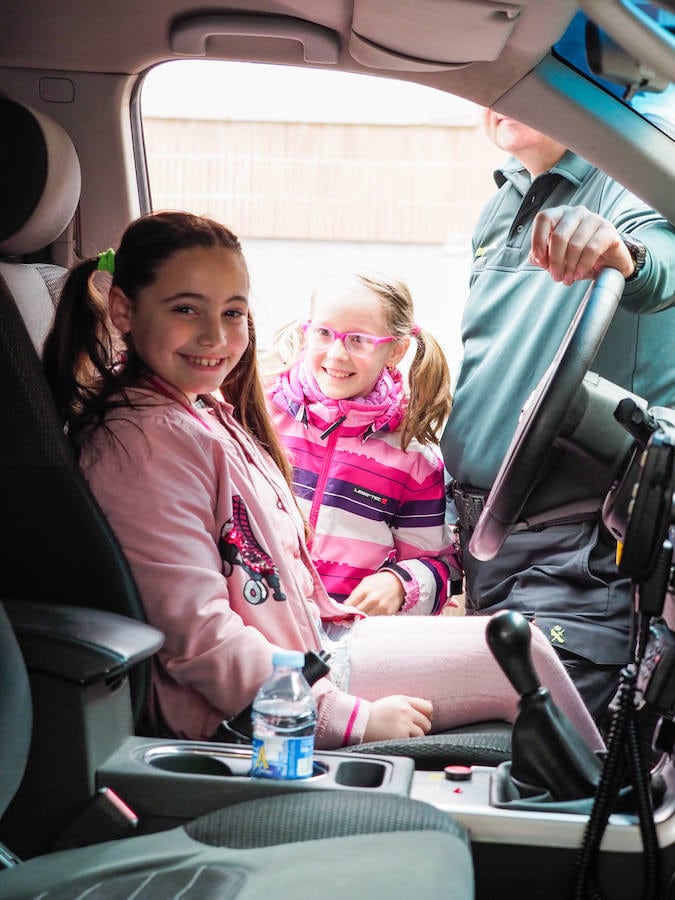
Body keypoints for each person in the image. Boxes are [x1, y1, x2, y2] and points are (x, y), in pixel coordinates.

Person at [42, 210, 604, 752]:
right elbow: (200, 638)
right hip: (253, 703)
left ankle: (602, 808)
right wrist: (343, 716)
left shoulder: (199, 414)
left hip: (307, 643)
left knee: (517, 641)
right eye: (186, 308)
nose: (215, 335)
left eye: (233, 312)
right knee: (519, 655)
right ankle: (611, 826)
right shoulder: (147, 442)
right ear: (122, 309)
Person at [441, 111, 675, 723]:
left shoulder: (636, 172)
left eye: (527, 85)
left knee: (545, 744)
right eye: (495, 88)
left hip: (579, 544)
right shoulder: (502, 203)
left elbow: (660, 264)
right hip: (483, 533)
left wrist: (624, 252)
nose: (503, 100)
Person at [265, 271, 462, 617]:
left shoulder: (413, 460)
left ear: (395, 351)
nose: (337, 354)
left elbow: (440, 565)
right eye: (324, 334)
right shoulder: (261, 418)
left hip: (348, 639)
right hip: (257, 625)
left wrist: (401, 583)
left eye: (358, 340)